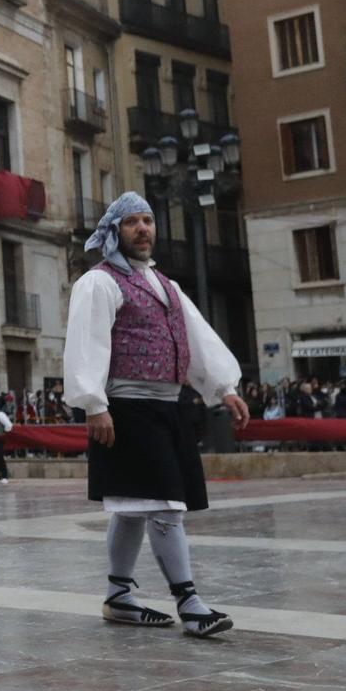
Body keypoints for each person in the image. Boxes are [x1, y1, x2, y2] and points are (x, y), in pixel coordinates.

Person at [64, 193, 247, 639]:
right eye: (132, 223)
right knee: (165, 505)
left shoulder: (165, 284)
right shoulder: (99, 282)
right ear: (114, 231)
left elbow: (196, 334)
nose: (143, 229)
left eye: (148, 220)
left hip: (167, 407)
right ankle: (190, 602)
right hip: (127, 408)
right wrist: (94, 403)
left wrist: (224, 386)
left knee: (132, 507)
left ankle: (118, 596)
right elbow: (85, 341)